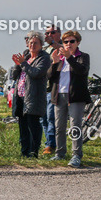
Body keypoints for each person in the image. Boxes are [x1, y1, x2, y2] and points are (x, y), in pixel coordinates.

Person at [49, 30, 90, 168]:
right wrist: (54, 63)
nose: (68, 44)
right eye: (65, 42)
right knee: (59, 126)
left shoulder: (83, 57)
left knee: (75, 126)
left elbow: (81, 71)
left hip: (75, 96)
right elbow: (50, 77)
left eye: (72, 41)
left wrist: (69, 58)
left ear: (77, 42)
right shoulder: (59, 58)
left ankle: (76, 155)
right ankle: (60, 153)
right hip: (59, 95)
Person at [10, 31, 51, 158]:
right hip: (21, 96)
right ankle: (24, 151)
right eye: (30, 43)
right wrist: (18, 64)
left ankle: (33, 152)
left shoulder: (44, 58)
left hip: (34, 97)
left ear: (41, 44)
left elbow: (36, 73)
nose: (32, 45)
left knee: (33, 125)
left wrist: (23, 63)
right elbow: (14, 76)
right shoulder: (26, 56)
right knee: (22, 125)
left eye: (36, 43)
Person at [41, 25, 62, 155]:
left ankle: (51, 145)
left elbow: (65, 51)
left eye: (52, 32)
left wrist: (53, 42)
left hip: (54, 87)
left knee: (50, 117)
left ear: (59, 34)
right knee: (43, 118)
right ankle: (48, 142)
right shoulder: (44, 49)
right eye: (47, 33)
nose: (49, 35)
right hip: (42, 87)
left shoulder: (62, 46)